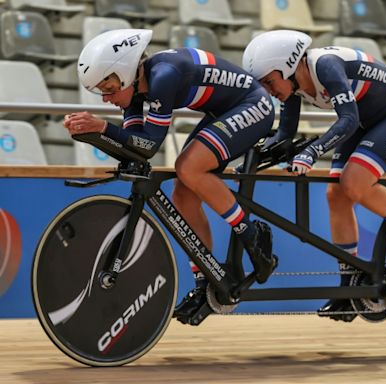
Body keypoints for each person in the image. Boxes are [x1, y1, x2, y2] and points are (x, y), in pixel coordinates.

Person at [64, 28, 277, 326]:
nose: (106, 99)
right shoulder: (136, 90)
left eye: (108, 88)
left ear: (125, 73)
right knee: (182, 193)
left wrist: (102, 128)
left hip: (254, 105)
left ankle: (251, 236)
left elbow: (149, 146)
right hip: (224, 110)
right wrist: (92, 133)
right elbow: (135, 147)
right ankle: (207, 281)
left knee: (188, 168)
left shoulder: (163, 77)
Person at [242, 30, 386, 322]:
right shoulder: (293, 84)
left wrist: (311, 152)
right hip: (366, 119)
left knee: (353, 182)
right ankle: (348, 286)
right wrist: (259, 150)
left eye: (269, 81)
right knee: (336, 196)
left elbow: (349, 119)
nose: (268, 90)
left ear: (290, 66)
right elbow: (285, 134)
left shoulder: (326, 66)